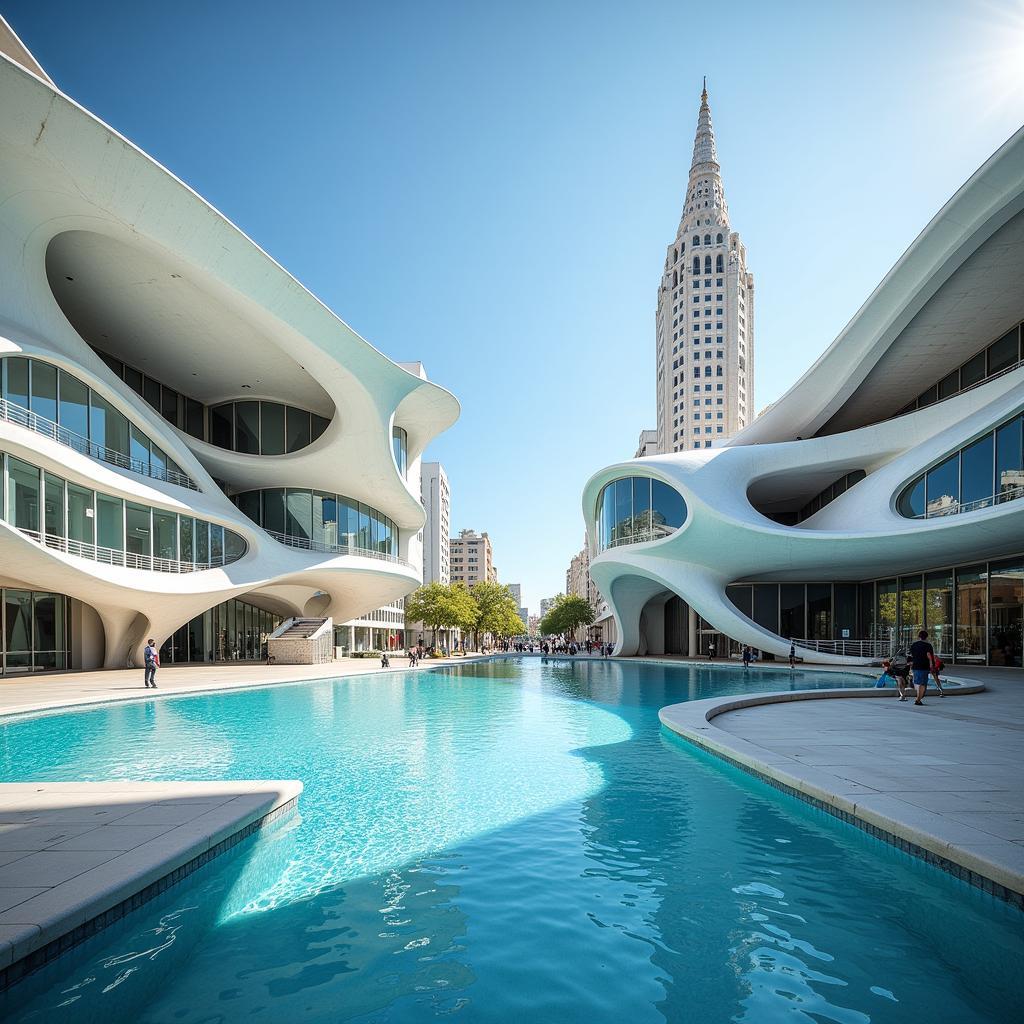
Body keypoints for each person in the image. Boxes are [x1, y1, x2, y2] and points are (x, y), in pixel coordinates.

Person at [908, 629, 935, 706]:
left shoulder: (914, 645)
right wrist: (931, 666)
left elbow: (911, 656)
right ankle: (918, 699)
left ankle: (918, 697)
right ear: (926, 637)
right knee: (922, 683)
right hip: (924, 666)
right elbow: (929, 656)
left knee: (917, 682)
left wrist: (910, 666)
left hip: (915, 666)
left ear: (918, 636)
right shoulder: (928, 646)